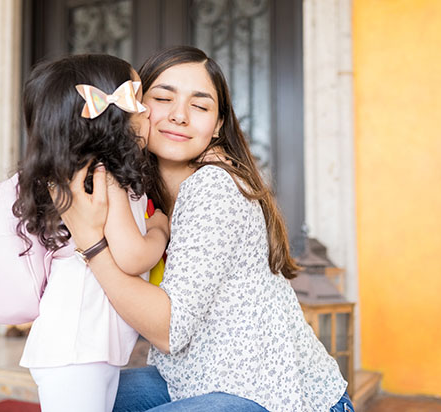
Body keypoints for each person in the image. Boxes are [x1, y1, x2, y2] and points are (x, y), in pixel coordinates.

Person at [56, 46, 354, 412]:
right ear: (132, 109)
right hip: (196, 378)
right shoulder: (140, 195)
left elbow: (167, 329)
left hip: (277, 395)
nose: (179, 116)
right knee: (78, 397)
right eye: (163, 98)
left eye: (200, 106)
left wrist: (91, 245)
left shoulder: (212, 187)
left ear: (217, 127)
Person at [13, 54, 170, 412]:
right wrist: (160, 226)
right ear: (112, 118)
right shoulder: (105, 178)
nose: (147, 111)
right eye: (137, 100)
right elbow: (132, 256)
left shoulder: (88, 175)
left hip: (83, 345)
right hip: (76, 347)